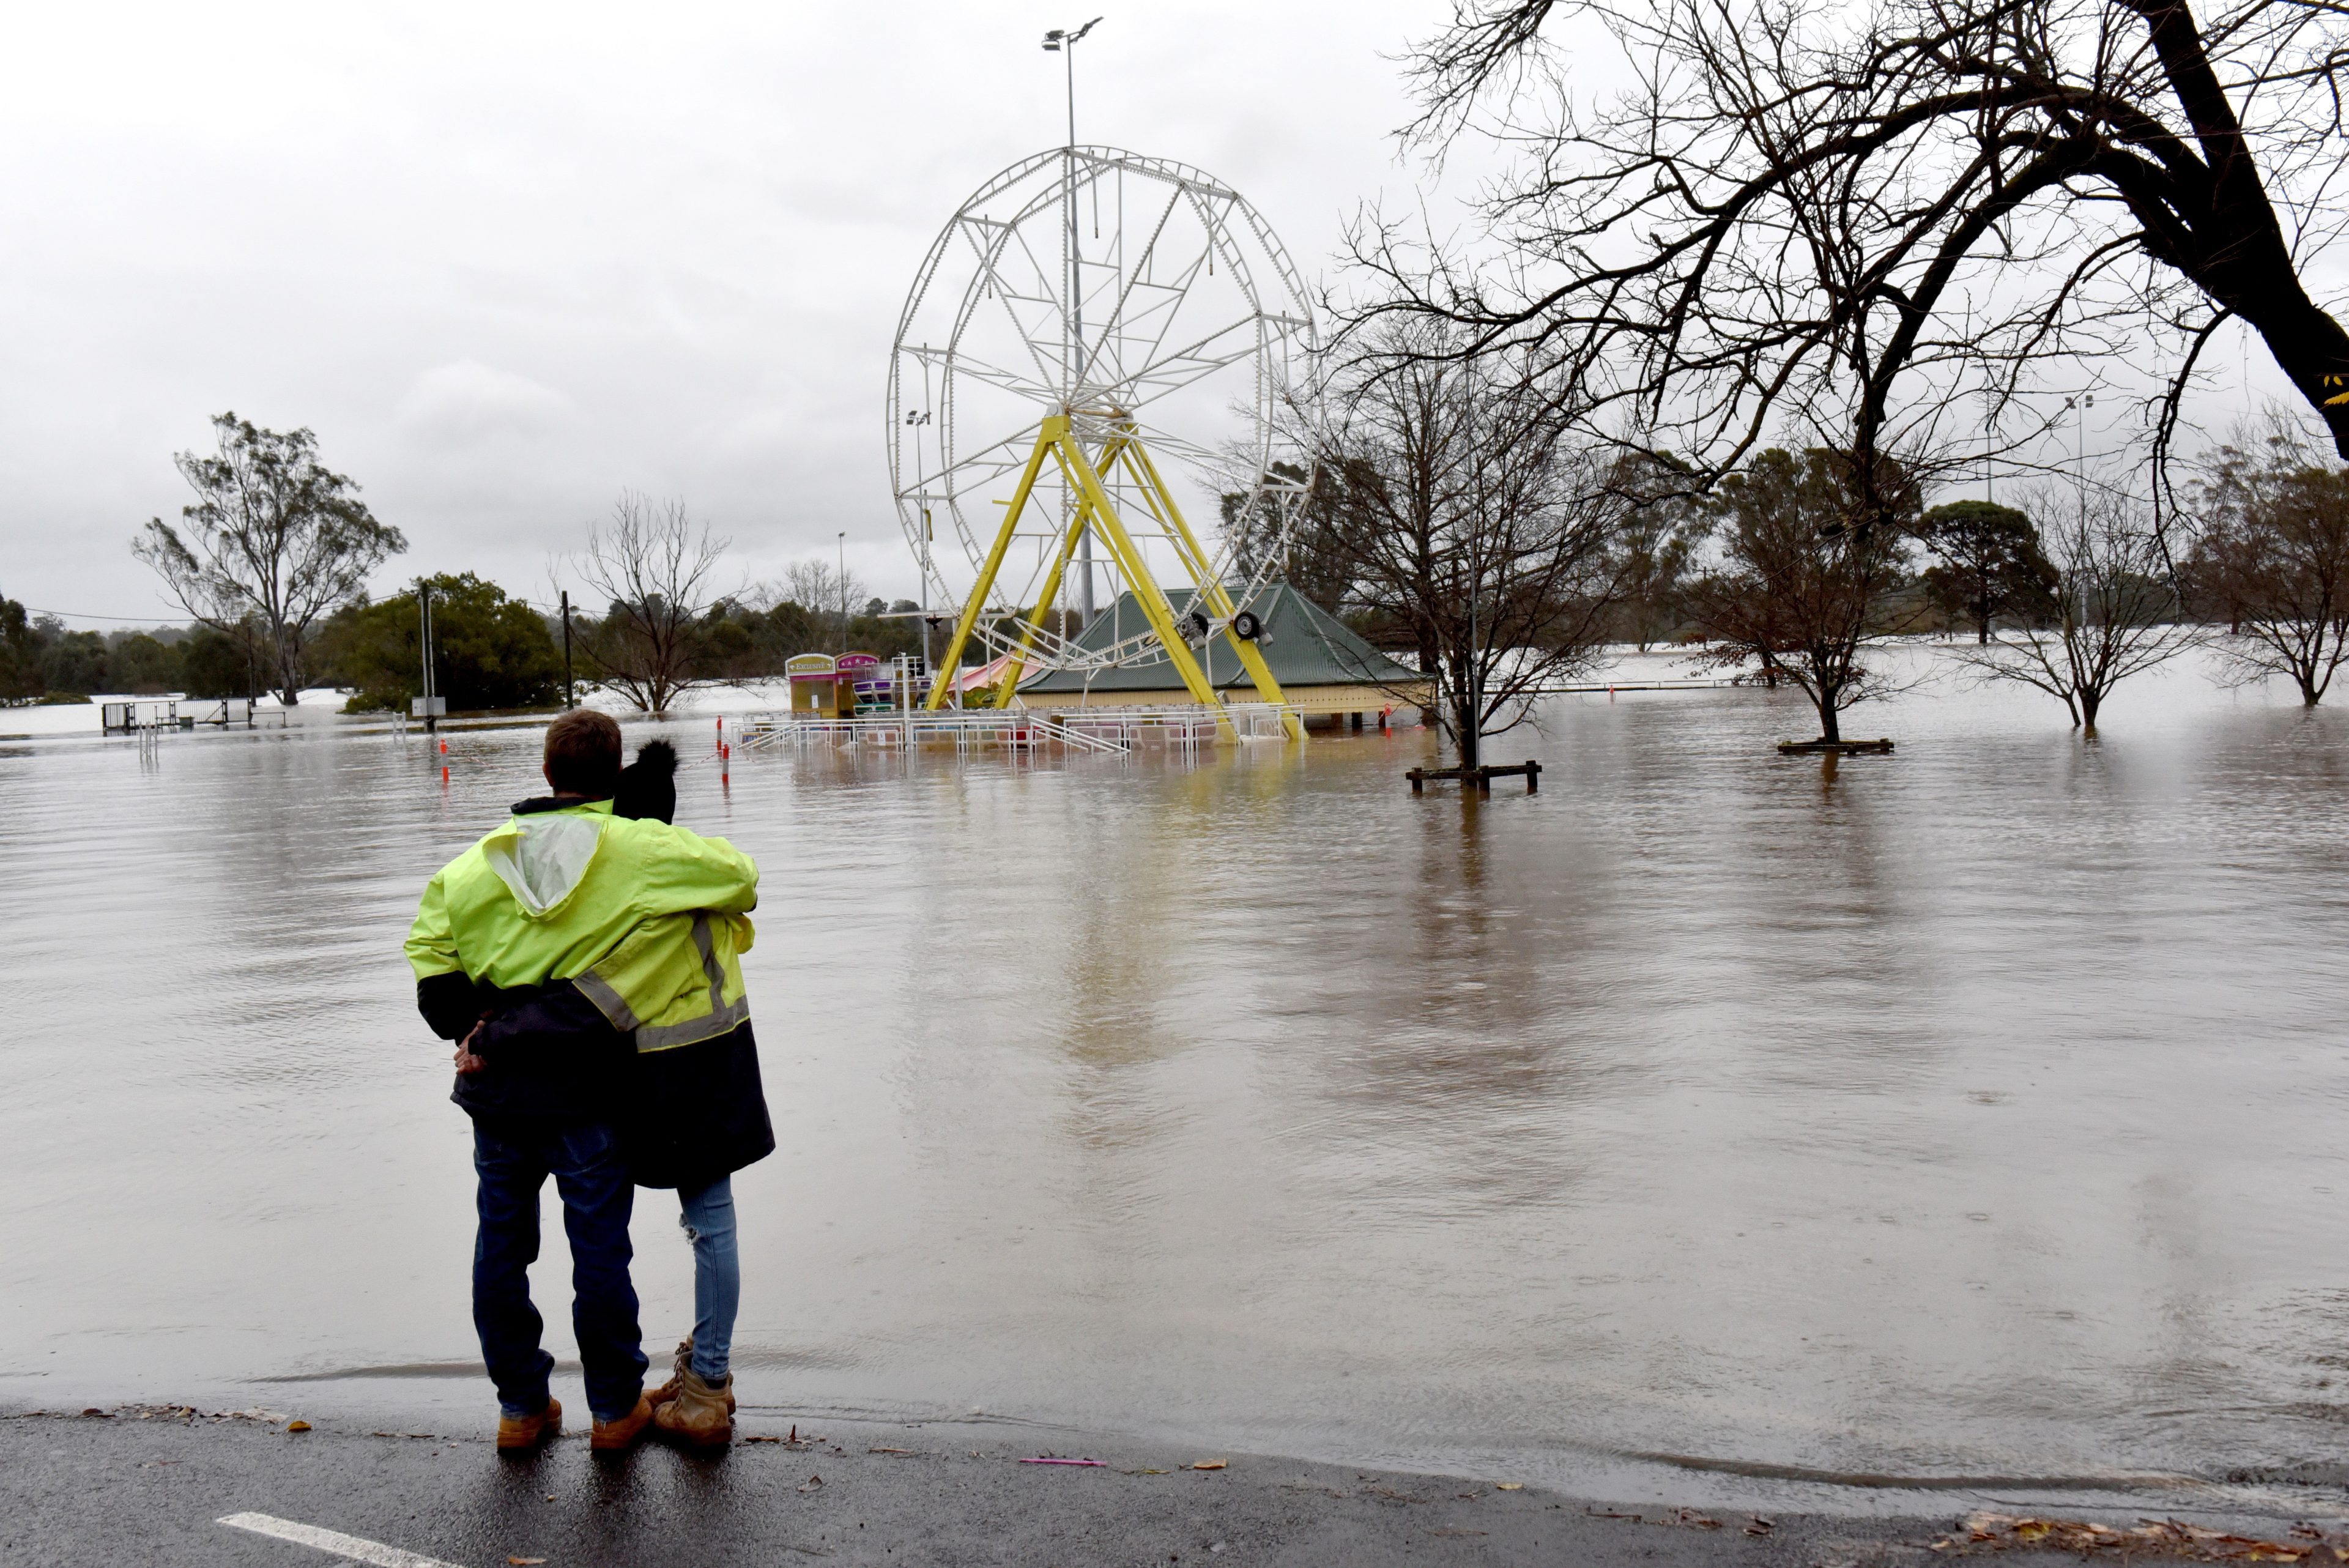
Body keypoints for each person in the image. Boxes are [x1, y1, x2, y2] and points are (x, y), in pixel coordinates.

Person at [406, 710, 760, 1454]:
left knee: (500, 1246)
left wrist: (477, 1028)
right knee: (600, 1250)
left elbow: (431, 965)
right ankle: (613, 1409)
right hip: (589, 1088)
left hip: (496, 1091)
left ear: (545, 771)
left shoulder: (473, 865)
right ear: (616, 773)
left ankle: (520, 1408)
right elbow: (740, 878)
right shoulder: (640, 848)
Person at [606, 738, 776, 1447]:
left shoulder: (635, 880)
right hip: (723, 1056)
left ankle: (706, 1386)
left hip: (677, 1067)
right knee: (713, 1222)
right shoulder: (700, 876)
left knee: (709, 1225)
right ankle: (706, 1373)